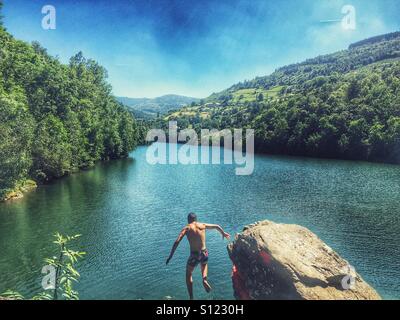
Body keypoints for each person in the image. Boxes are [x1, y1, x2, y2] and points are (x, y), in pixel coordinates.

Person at [166, 212, 231, 300]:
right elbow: (216, 226)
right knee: (204, 264)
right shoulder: (202, 225)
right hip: (204, 253)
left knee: (188, 274)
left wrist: (170, 256)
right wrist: (223, 233)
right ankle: (204, 279)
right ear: (196, 219)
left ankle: (191, 297)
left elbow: (177, 241)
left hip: (194, 255)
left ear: (188, 220)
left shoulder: (187, 228)